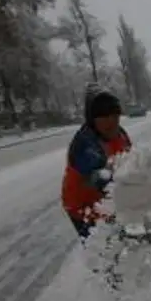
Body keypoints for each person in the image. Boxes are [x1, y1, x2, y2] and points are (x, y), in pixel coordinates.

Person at [61, 90, 132, 241]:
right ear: (93, 120)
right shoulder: (85, 145)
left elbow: (131, 161)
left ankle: (122, 248)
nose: (111, 122)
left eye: (115, 117)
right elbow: (101, 180)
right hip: (82, 205)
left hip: (106, 201)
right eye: (104, 118)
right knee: (101, 250)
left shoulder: (121, 135)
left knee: (115, 236)